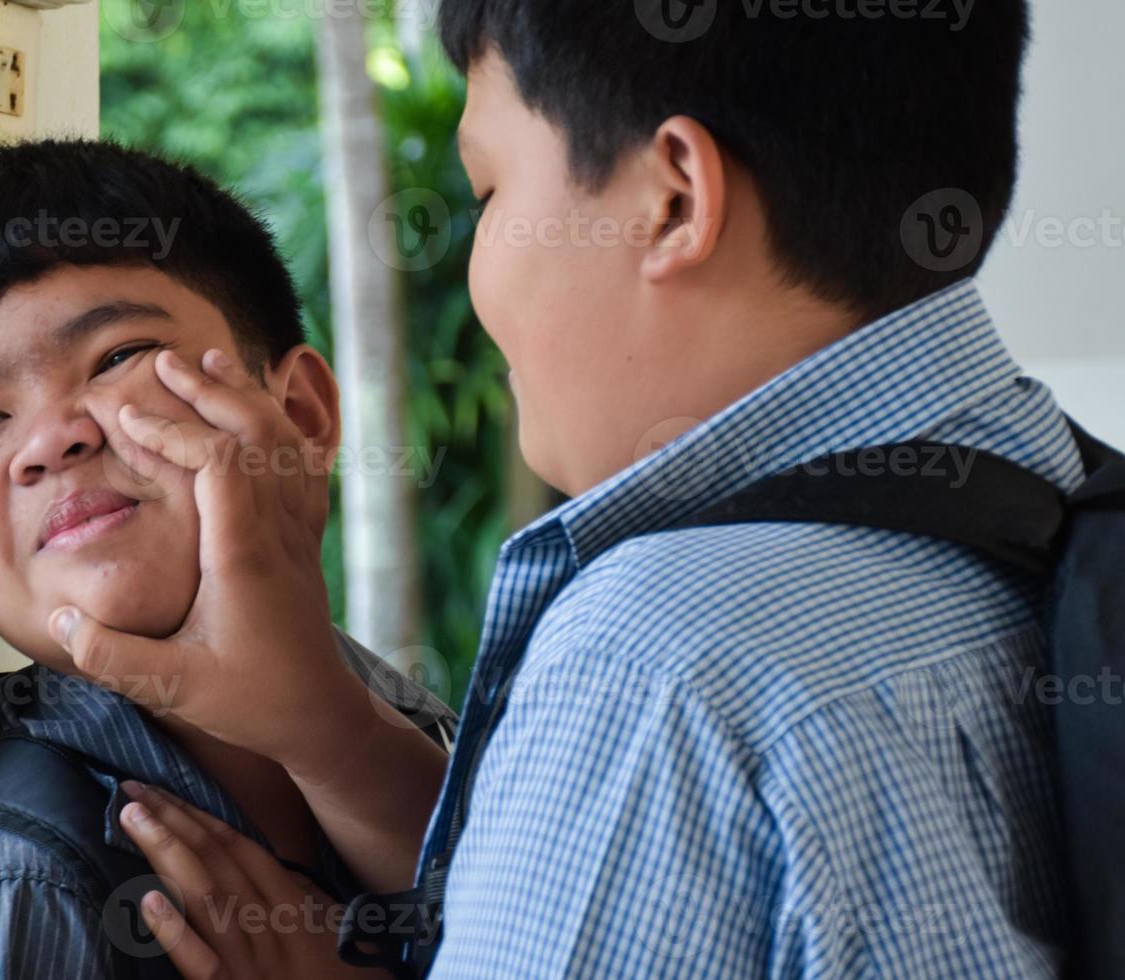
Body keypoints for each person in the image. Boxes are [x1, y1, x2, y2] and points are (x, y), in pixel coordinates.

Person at [56, 0, 1079, 976]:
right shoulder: (1056, 483)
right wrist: (327, 729)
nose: (477, 269)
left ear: (670, 197)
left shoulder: (657, 663)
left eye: (488, 192)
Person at [0, 138, 453, 980]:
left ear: (299, 416)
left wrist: (336, 739)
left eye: (115, 357)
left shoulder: (450, 747)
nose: (48, 439)